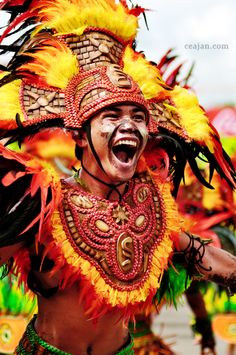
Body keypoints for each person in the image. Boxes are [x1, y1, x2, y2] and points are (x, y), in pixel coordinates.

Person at [0, 1, 235, 354]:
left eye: (138, 117)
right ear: (80, 134)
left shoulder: (153, 214)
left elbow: (214, 261)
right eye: (111, 115)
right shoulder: (44, 206)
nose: (128, 124)